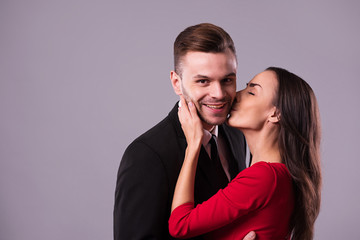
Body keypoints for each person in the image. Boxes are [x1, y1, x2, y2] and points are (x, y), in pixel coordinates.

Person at [114, 23, 256, 240]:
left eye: (227, 80)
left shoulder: (236, 134)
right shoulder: (146, 156)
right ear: (176, 83)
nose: (218, 93)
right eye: (203, 81)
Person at [169, 67, 322, 240]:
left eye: (251, 92)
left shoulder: (264, 177)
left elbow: (180, 224)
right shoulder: (280, 176)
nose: (235, 95)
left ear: (275, 113)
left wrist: (193, 145)